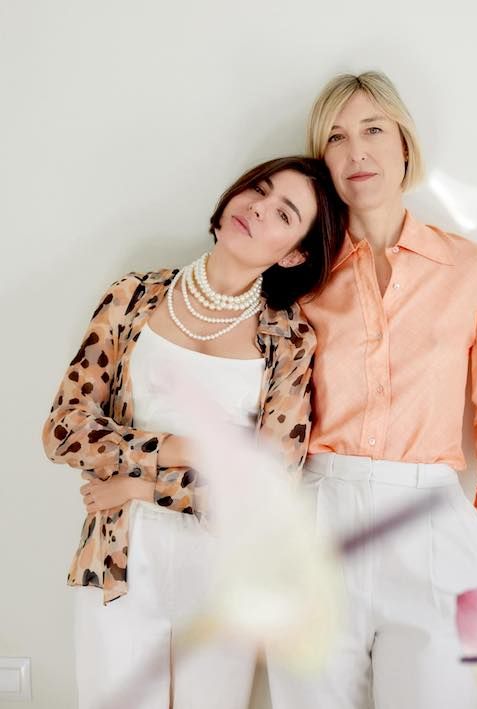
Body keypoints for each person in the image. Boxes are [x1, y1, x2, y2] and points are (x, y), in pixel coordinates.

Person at [266, 72, 477, 709]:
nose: (356, 151)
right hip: (318, 516)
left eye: (373, 130)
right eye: (336, 137)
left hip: (433, 524)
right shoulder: (298, 273)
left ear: (404, 145)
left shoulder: (470, 267)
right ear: (322, 160)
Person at [42, 155, 345, 709]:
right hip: (117, 561)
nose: (259, 208)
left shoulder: (288, 339)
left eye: (284, 214)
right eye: (260, 189)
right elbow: (64, 429)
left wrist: (140, 486)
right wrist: (191, 447)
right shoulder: (133, 296)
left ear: (294, 253)